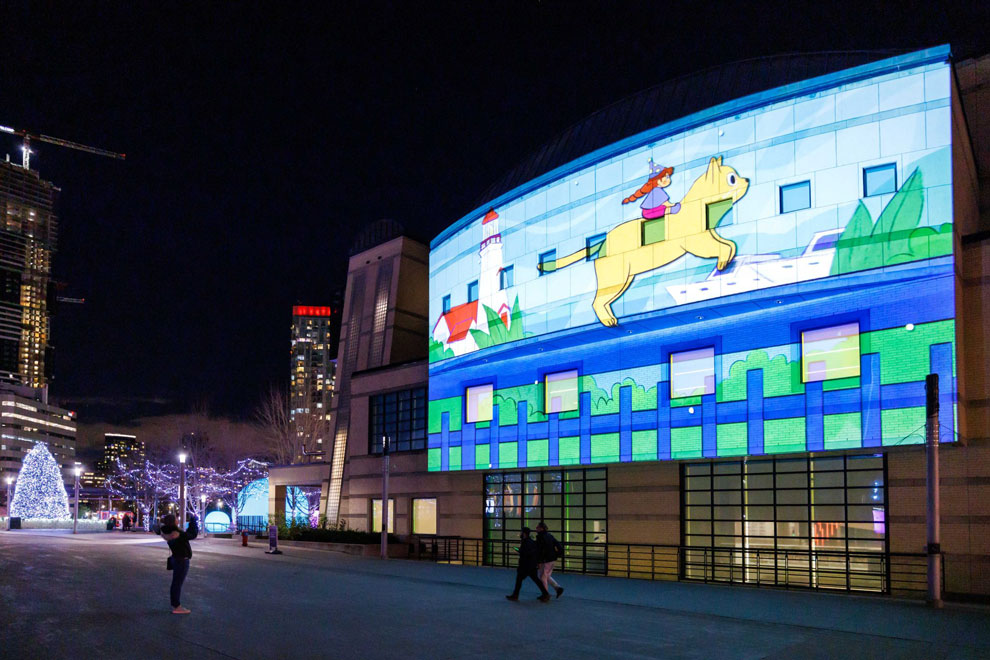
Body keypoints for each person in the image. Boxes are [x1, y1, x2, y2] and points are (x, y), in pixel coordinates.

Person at [160, 513, 199, 614]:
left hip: (176, 558)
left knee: (176, 582)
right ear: (173, 521)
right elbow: (192, 534)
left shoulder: (168, 531)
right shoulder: (176, 533)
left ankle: (175, 604)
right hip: (181, 560)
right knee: (177, 583)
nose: (178, 519)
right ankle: (176, 606)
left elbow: (187, 534)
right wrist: (193, 521)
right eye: (176, 519)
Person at [505, 526, 550, 602]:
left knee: (519, 579)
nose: (520, 534)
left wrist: (519, 551)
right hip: (531, 565)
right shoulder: (531, 541)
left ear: (524, 533)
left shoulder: (526, 542)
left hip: (526, 565)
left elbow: (525, 553)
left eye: (521, 532)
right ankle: (545, 594)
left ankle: (515, 595)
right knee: (535, 580)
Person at [535, 521, 565, 599]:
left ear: (541, 528)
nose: (536, 528)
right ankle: (557, 588)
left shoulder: (540, 537)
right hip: (551, 559)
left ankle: (545, 594)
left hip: (545, 560)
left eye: (537, 527)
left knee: (542, 577)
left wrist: (539, 561)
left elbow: (540, 550)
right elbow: (559, 546)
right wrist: (556, 555)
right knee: (546, 575)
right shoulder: (550, 536)